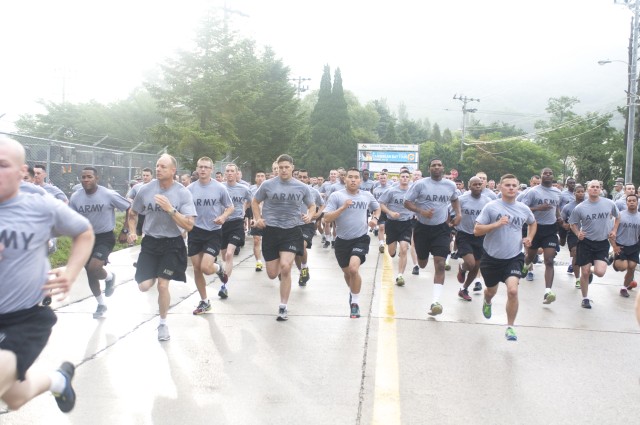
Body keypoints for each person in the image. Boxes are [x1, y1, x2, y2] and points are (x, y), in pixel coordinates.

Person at [0, 136, 94, 413]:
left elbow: (84, 232)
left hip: (23, 319)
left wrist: (72, 270)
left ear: (22, 172)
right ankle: (58, 380)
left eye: (2, 165)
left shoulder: (40, 206)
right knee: (14, 398)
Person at [127, 154, 196, 340]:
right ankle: (155, 274)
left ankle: (163, 324)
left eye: (163, 166)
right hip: (150, 242)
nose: (158, 169)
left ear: (173, 170)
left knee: (163, 285)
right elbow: (133, 213)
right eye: (157, 166)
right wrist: (132, 231)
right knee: (143, 286)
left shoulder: (182, 192)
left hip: (172, 243)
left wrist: (171, 209)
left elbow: (189, 225)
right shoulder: (145, 190)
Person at [251, 154, 315, 321]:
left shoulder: (301, 187)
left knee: (286, 267)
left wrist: (310, 216)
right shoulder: (267, 185)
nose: (284, 170)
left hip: (291, 230)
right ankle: (279, 265)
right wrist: (258, 219)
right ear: (277, 168)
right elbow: (254, 202)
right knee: (272, 274)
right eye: (281, 167)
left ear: (292, 167)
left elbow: (312, 205)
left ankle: (283, 307)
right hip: (271, 230)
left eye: (287, 167)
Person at [475, 174, 536, 341]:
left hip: (514, 256)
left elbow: (532, 222)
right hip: (491, 257)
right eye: (507, 185)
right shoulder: (491, 207)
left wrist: (529, 237)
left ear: (518, 189)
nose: (511, 188)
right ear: (500, 188)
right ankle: (487, 302)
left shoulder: (523, 208)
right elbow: (477, 230)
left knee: (513, 290)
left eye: (514, 185)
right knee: (490, 291)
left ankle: (510, 327)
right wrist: (496, 224)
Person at [69, 166, 131, 319]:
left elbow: (129, 207)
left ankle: (109, 277)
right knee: (90, 273)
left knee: (94, 267)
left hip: (104, 236)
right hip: (85, 238)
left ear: (97, 178)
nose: (86, 180)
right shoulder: (76, 197)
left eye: (89, 177)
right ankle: (101, 303)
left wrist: (125, 230)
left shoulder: (108, 194)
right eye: (83, 177)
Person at [404, 158, 461, 317]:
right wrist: (421, 211)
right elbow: (406, 202)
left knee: (440, 264)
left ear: (443, 168)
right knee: (422, 264)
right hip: (422, 228)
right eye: (433, 165)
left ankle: (435, 302)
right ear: (429, 168)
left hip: (442, 229)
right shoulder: (420, 184)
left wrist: (459, 214)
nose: (436, 167)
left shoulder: (450, 185)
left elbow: (455, 199)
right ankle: (424, 256)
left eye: (439, 165)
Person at [324, 168, 380, 318]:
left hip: (361, 238)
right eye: (350, 177)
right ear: (345, 179)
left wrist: (375, 219)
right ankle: (353, 292)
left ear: (360, 180)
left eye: (356, 177)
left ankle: (355, 303)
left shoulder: (367, 195)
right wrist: (343, 207)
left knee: (354, 269)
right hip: (342, 241)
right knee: (348, 273)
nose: (353, 180)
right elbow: (327, 218)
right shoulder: (337, 196)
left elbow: (377, 208)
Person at [186, 157, 234, 315]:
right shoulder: (190, 189)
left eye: (206, 167)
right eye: (200, 167)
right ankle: (205, 301)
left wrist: (223, 217)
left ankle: (219, 268)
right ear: (197, 168)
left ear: (211, 169)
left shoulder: (219, 188)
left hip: (213, 231)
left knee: (206, 268)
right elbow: (184, 209)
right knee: (197, 269)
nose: (203, 170)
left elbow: (230, 207)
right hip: (195, 231)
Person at [568, 180, 618, 309]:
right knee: (584, 272)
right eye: (592, 187)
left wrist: (614, 230)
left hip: (602, 243)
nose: (595, 189)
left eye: (597, 187)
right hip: (586, 242)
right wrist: (577, 233)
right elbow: (572, 223)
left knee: (600, 272)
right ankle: (585, 298)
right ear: (587, 189)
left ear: (601, 189)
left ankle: (591, 270)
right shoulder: (580, 207)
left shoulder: (609, 203)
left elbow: (618, 217)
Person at [518, 168, 562, 305]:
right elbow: (521, 208)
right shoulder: (533, 192)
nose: (548, 175)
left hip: (550, 229)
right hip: (535, 228)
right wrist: (538, 208)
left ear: (552, 176)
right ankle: (526, 264)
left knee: (549, 260)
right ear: (541, 176)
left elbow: (557, 207)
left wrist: (559, 217)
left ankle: (548, 291)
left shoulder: (557, 192)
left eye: (550, 173)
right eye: (545, 173)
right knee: (530, 256)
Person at [219, 163, 253, 298]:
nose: (229, 173)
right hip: (222, 224)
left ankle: (224, 286)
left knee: (229, 254)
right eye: (227, 171)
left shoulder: (243, 189)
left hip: (237, 223)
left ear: (237, 173)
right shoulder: (220, 188)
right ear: (224, 173)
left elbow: (250, 201)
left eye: (232, 171)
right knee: (223, 256)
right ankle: (224, 272)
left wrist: (243, 210)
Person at [454, 176, 491, 300]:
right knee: (470, 263)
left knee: (476, 266)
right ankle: (463, 268)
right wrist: (450, 224)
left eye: (480, 184)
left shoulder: (487, 200)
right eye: (475, 184)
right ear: (469, 186)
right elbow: (451, 212)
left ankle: (464, 289)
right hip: (464, 235)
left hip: (480, 236)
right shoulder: (462, 199)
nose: (478, 186)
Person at [379, 169, 413, 286]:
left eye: (406, 177)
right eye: (402, 176)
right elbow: (381, 203)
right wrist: (390, 212)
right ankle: (394, 253)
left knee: (404, 248)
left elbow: (418, 204)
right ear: (399, 178)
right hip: (392, 223)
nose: (404, 178)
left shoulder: (413, 192)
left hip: (406, 223)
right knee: (391, 251)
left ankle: (400, 276)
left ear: (410, 179)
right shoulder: (391, 191)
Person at [294, 169, 325, 286]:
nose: (302, 179)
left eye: (304, 177)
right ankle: (302, 272)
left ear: (308, 179)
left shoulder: (313, 191)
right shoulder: (291, 191)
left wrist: (318, 214)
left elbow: (322, 204)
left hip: (308, 224)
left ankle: (304, 267)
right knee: (296, 252)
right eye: (299, 177)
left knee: (301, 245)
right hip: (293, 224)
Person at [610, 193, 640, 298]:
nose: (631, 202)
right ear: (626, 202)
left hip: (634, 246)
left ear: (637, 202)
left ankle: (624, 288)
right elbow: (611, 233)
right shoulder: (620, 215)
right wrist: (614, 246)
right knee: (623, 267)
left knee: (631, 267)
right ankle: (614, 260)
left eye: (634, 200)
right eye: (629, 201)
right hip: (620, 246)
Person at [560, 185, 586, 288]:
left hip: (587, 234)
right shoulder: (568, 206)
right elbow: (561, 219)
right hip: (573, 234)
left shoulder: (589, 205)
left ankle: (586, 273)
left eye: (582, 192)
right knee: (575, 253)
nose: (580, 194)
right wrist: (564, 225)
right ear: (574, 194)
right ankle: (577, 279)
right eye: (578, 192)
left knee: (583, 256)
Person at [249, 170, 267, 271]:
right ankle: (258, 262)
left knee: (267, 241)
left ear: (265, 178)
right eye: (258, 176)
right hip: (256, 218)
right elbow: (248, 203)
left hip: (268, 219)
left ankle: (268, 259)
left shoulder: (269, 188)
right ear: (255, 178)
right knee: (256, 240)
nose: (260, 178)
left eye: (262, 176)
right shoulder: (251, 190)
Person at [372, 171, 391, 253]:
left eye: (384, 178)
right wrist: (374, 212)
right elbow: (374, 201)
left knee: (389, 228)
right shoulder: (376, 189)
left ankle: (391, 242)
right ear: (378, 179)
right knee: (381, 227)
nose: (383, 179)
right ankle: (381, 244)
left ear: (387, 179)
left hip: (389, 210)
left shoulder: (391, 188)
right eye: (381, 178)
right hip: (380, 210)